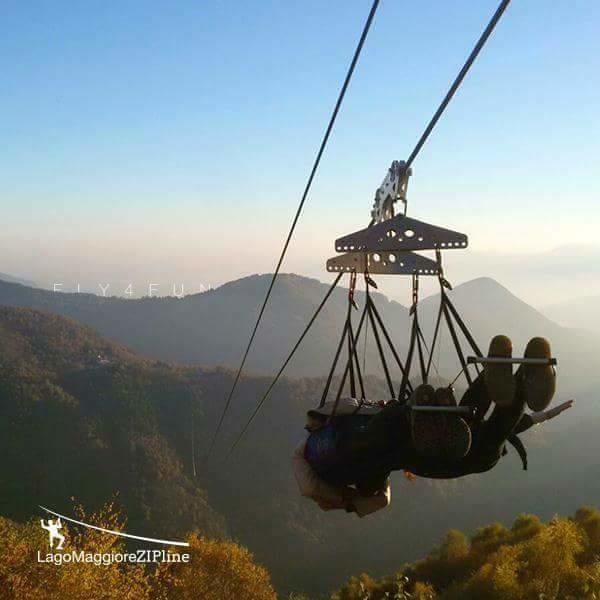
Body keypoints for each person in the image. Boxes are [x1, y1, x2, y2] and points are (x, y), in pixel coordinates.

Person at [293, 335, 573, 514]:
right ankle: (519, 375)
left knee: (486, 426)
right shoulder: (327, 440)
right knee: (470, 417)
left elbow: (374, 498)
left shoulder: (362, 470)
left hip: (441, 455)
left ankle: (520, 382)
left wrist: (345, 501)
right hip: (418, 440)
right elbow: (342, 409)